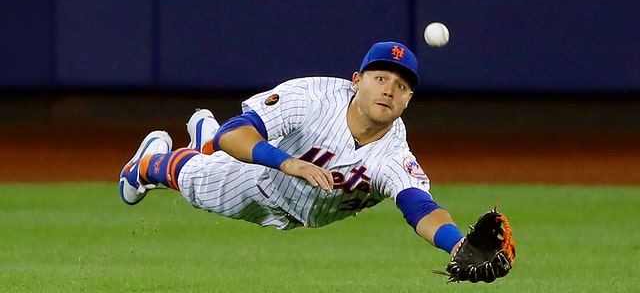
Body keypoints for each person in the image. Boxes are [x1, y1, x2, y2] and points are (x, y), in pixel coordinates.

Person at [119, 41, 465, 256]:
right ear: (356, 81)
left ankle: (202, 140)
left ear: (409, 99)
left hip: (301, 214)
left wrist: (457, 244)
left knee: (215, 149)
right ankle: (142, 166)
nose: (389, 90)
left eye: (400, 85)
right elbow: (234, 132)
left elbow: (420, 207)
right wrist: (288, 164)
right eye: (380, 78)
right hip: (257, 181)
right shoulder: (311, 98)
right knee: (193, 178)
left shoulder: (394, 155)